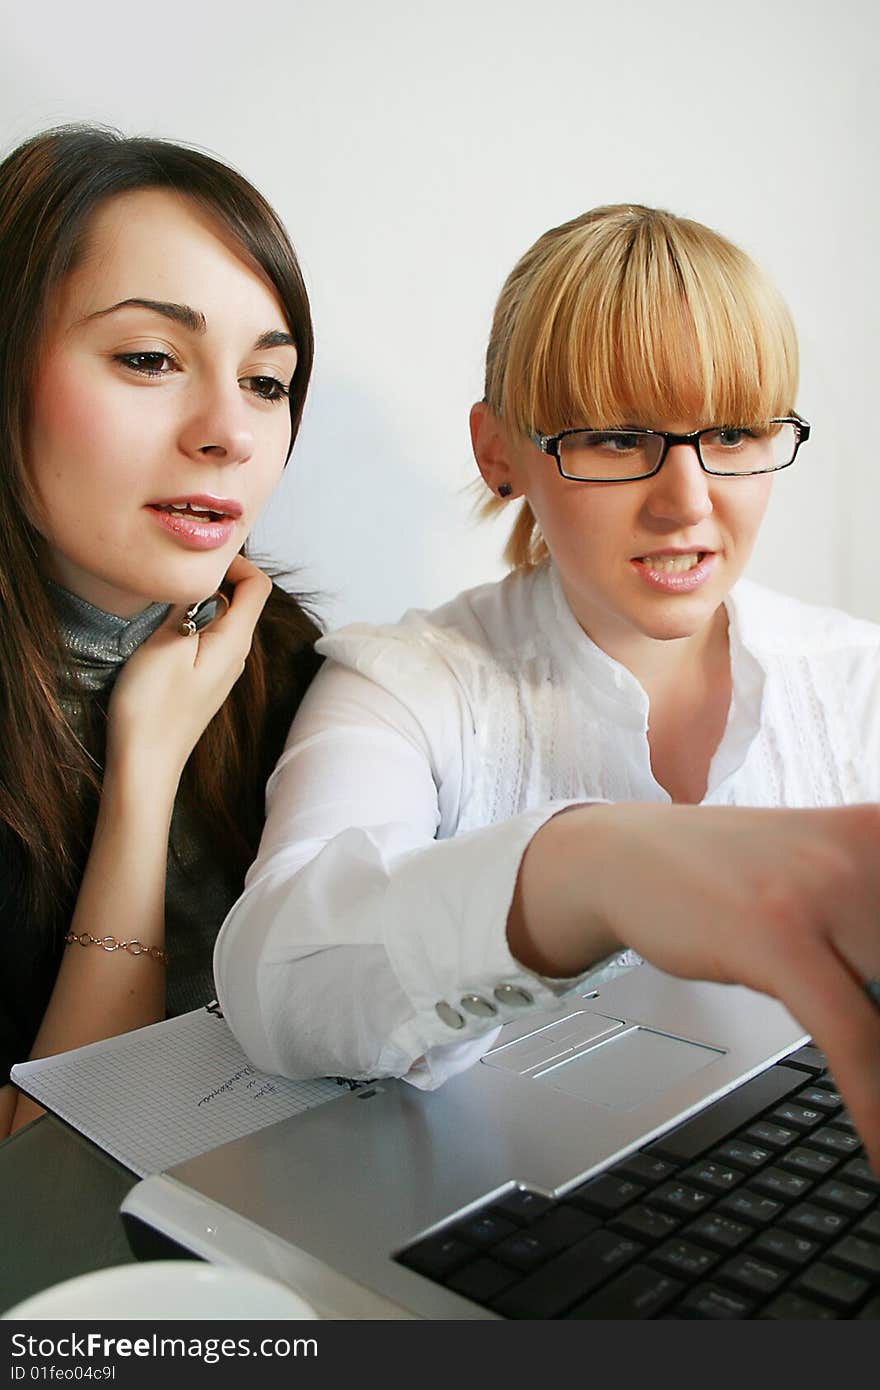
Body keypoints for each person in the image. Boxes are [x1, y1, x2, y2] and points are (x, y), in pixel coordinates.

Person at [214, 203, 880, 1169]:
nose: (687, 502)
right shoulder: (407, 683)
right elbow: (277, 981)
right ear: (499, 452)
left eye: (733, 433)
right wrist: (591, 869)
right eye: (615, 439)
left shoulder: (857, 680)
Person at [0, 125, 322, 1138]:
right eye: (150, 358)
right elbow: (43, 1198)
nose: (228, 432)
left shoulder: (286, 662)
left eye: (266, 381)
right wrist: (143, 777)